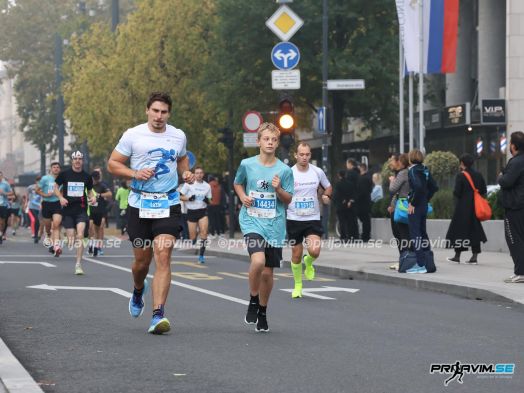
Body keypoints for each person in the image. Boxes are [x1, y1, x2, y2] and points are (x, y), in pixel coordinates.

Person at [107, 91, 194, 334]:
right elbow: (112, 163)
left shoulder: (178, 135)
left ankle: (158, 315)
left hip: (168, 203)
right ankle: (137, 290)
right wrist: (134, 173)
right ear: (147, 110)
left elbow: (183, 159)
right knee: (141, 263)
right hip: (140, 204)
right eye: (155, 111)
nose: (159, 116)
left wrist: (185, 172)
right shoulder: (133, 135)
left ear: (169, 113)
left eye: (163, 112)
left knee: (163, 254)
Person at [234, 122, 293, 332]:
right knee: (258, 261)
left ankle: (263, 311)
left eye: (274, 140)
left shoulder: (284, 170)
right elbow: (238, 183)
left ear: (277, 143)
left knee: (268, 274)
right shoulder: (247, 164)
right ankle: (252, 299)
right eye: (266, 139)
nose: (270, 142)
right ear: (258, 141)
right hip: (251, 220)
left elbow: (288, 200)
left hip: (274, 225)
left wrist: (278, 190)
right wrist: (242, 197)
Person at [286, 142, 331, 298]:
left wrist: (326, 196)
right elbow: (282, 194)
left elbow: (328, 186)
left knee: (315, 250)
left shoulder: (317, 172)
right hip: (294, 218)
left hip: (312, 217)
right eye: (301, 154)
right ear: (296, 155)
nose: (304, 157)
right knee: (296, 254)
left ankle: (309, 261)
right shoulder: (288, 173)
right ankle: (298, 285)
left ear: (310, 155)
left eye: (307, 154)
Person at [54, 151, 96, 274]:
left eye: (80, 158)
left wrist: (92, 197)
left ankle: (78, 264)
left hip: (81, 209)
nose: (77, 161)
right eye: (75, 159)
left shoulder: (87, 177)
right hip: (68, 210)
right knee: (71, 238)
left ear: (82, 161)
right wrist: (61, 198)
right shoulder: (64, 174)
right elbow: (55, 187)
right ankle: (67, 239)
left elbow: (89, 192)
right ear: (72, 160)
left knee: (80, 235)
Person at [446, 154, 487, 264]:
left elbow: (457, 192)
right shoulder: (478, 175)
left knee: (460, 231)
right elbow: (483, 190)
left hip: (463, 207)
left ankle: (457, 256)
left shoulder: (461, 175)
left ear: (462, 163)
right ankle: (474, 257)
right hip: (475, 207)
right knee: (474, 230)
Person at [406, 149, 438, 274]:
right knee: (423, 233)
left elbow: (418, 187)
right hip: (423, 205)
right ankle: (428, 262)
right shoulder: (425, 169)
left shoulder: (412, 170)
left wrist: (413, 202)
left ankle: (421, 264)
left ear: (411, 158)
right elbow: (434, 187)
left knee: (416, 235)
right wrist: (425, 199)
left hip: (415, 206)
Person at [498, 131, 524, 283]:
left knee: (514, 239)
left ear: (513, 146)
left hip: (515, 207)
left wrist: (501, 176)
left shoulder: (515, 162)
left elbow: (506, 181)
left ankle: (520, 272)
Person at [180, 166, 212, 263]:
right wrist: (189, 198)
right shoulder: (188, 184)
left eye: (201, 173)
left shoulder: (207, 186)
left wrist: (208, 200)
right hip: (191, 212)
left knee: (204, 233)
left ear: (203, 174)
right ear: (194, 174)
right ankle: (195, 236)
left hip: (202, 212)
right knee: (193, 237)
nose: (199, 175)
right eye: (197, 173)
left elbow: (210, 200)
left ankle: (201, 256)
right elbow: (180, 196)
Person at [388, 153, 411, 261]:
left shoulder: (402, 173)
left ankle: (404, 259)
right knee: (401, 233)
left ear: (399, 162)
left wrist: (392, 181)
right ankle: (404, 258)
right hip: (399, 206)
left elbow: (393, 190)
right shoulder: (406, 173)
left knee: (400, 233)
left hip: (401, 207)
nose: (390, 163)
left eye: (392, 160)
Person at [37, 162, 62, 253]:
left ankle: (55, 246)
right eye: (54, 167)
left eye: (57, 167)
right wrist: (45, 195)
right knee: (48, 226)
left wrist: (62, 196)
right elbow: (37, 190)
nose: (56, 168)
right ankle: (48, 234)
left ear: (60, 169)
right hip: (47, 203)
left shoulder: (62, 179)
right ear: (51, 169)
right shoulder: (45, 178)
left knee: (56, 224)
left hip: (57, 203)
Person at [88, 171, 112, 256]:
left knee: (99, 229)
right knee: (90, 226)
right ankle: (91, 244)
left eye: (97, 177)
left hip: (100, 210)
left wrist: (99, 195)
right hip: (90, 210)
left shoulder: (102, 185)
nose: (96, 179)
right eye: (94, 178)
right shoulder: (88, 185)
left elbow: (109, 194)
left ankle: (97, 247)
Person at [332, 170, 355, 243]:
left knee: (342, 222)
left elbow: (336, 195)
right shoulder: (350, 184)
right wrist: (350, 201)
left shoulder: (338, 184)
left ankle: (343, 237)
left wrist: (341, 200)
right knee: (349, 221)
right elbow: (353, 194)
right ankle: (350, 236)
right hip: (349, 206)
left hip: (340, 206)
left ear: (339, 175)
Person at [356, 163, 373, 242]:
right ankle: (366, 235)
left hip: (362, 202)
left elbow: (361, 191)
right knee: (366, 219)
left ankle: (365, 236)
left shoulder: (362, 178)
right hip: (367, 201)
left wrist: (356, 198)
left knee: (365, 219)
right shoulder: (369, 177)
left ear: (362, 168)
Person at [345, 159, 360, 240]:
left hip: (350, 199)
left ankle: (350, 235)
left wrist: (349, 199)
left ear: (350, 164)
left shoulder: (350, 173)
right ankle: (356, 235)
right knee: (354, 218)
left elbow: (349, 187)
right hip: (357, 199)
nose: (346, 166)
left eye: (347, 164)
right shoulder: (358, 173)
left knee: (349, 218)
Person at [26, 176, 42, 243]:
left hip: (40, 207)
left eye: (40, 181)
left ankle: (38, 235)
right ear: (36, 181)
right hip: (32, 206)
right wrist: (26, 203)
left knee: (40, 222)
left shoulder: (44, 187)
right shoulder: (30, 187)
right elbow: (27, 195)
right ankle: (35, 236)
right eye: (38, 181)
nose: (39, 182)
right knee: (36, 220)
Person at [0, 171, 13, 245]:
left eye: (0, 175)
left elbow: (11, 193)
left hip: (3, 205)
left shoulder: (6, 184)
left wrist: (4, 193)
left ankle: (1, 233)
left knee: (2, 222)